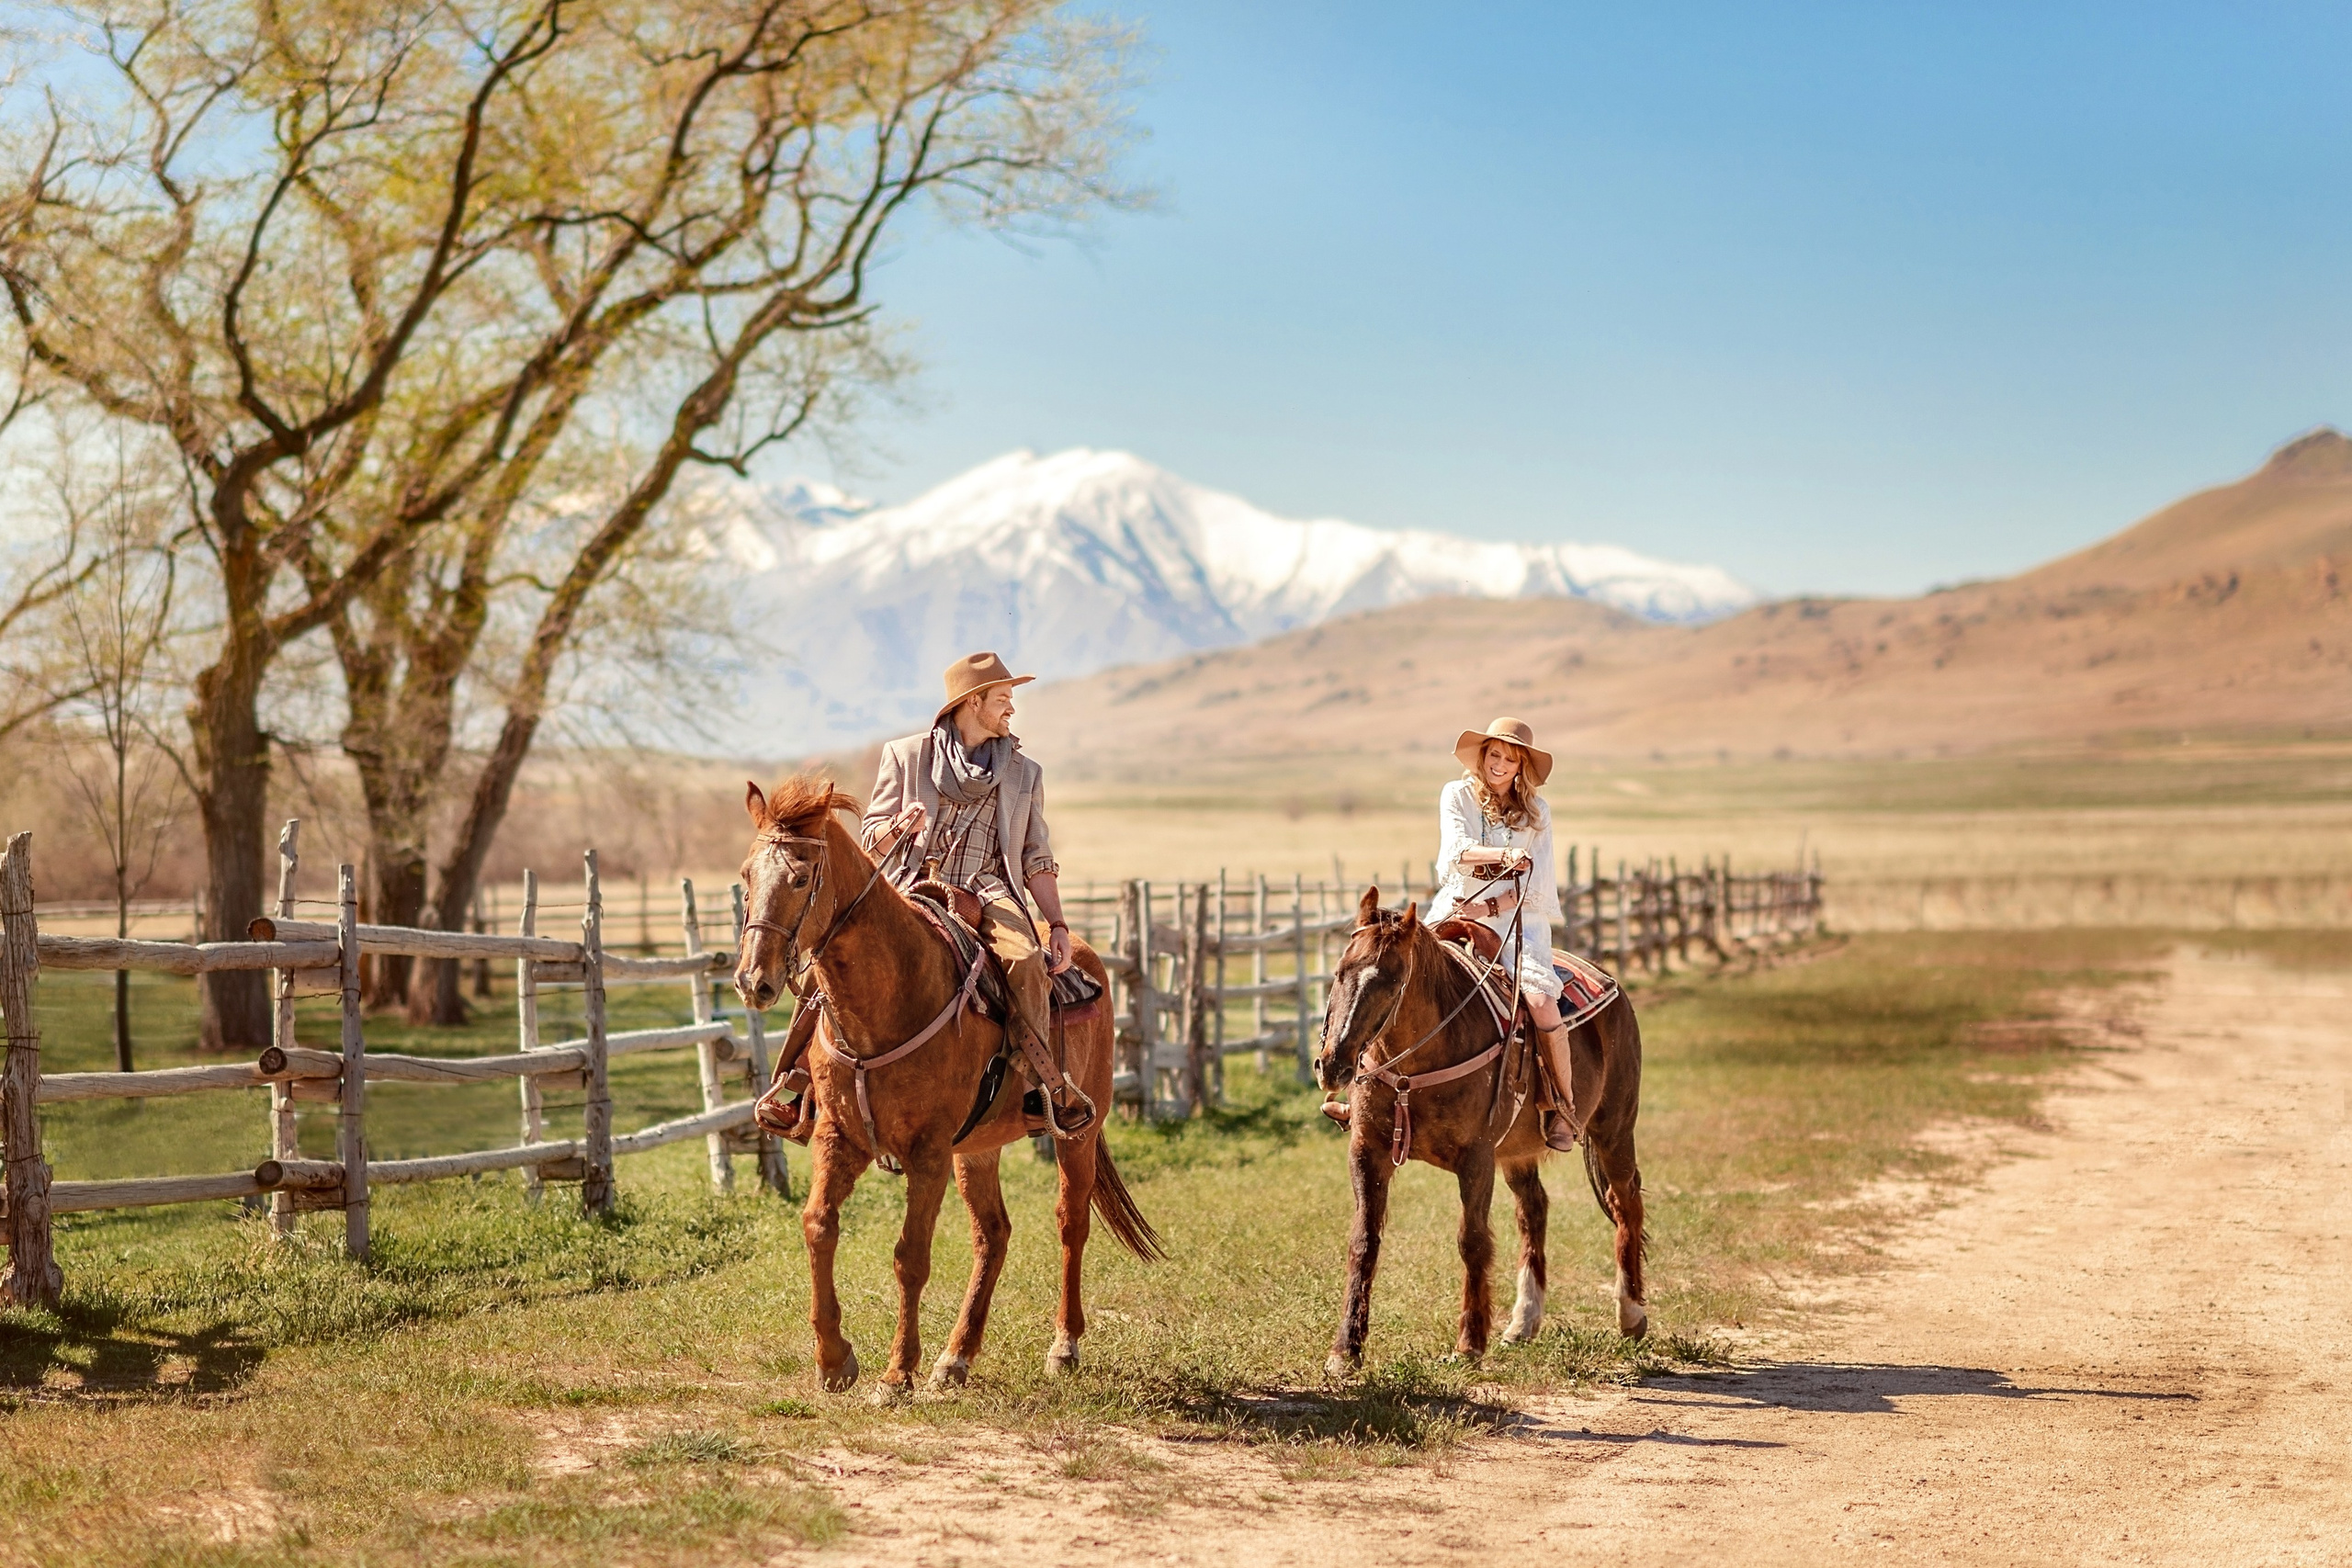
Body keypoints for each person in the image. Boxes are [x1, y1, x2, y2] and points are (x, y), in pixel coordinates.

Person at [862, 650, 1081, 1121]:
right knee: (841, 955)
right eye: (1003, 698)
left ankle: (1036, 1084)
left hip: (989, 888)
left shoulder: (1025, 773)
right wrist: (900, 826)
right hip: (910, 884)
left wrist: (1057, 923)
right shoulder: (905, 756)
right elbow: (870, 840)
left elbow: (1035, 857)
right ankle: (800, 1082)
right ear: (974, 701)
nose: (1011, 708)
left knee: (1024, 961)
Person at [1425, 716, 1579, 1152]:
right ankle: (1363, 1086)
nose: (1500, 765)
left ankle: (1561, 1106)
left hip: (1517, 921)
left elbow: (1537, 884)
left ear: (1521, 767)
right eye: (1494, 754)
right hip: (1455, 907)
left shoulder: (1537, 814)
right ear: (1483, 756)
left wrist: (1489, 906)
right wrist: (1505, 855)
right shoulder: (1456, 795)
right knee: (1395, 967)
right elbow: (1456, 852)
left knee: (1541, 1002)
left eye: (1510, 759)